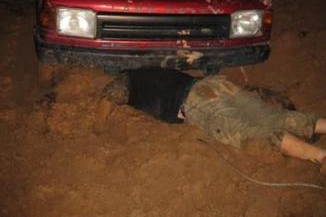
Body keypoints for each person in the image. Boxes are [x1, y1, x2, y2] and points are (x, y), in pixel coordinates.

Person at [101, 67, 326, 172]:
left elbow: (113, 94)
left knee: (252, 135)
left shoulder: (127, 81)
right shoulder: (151, 71)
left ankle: (320, 157)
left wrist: (103, 113)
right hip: (215, 84)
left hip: (197, 102)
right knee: (273, 117)